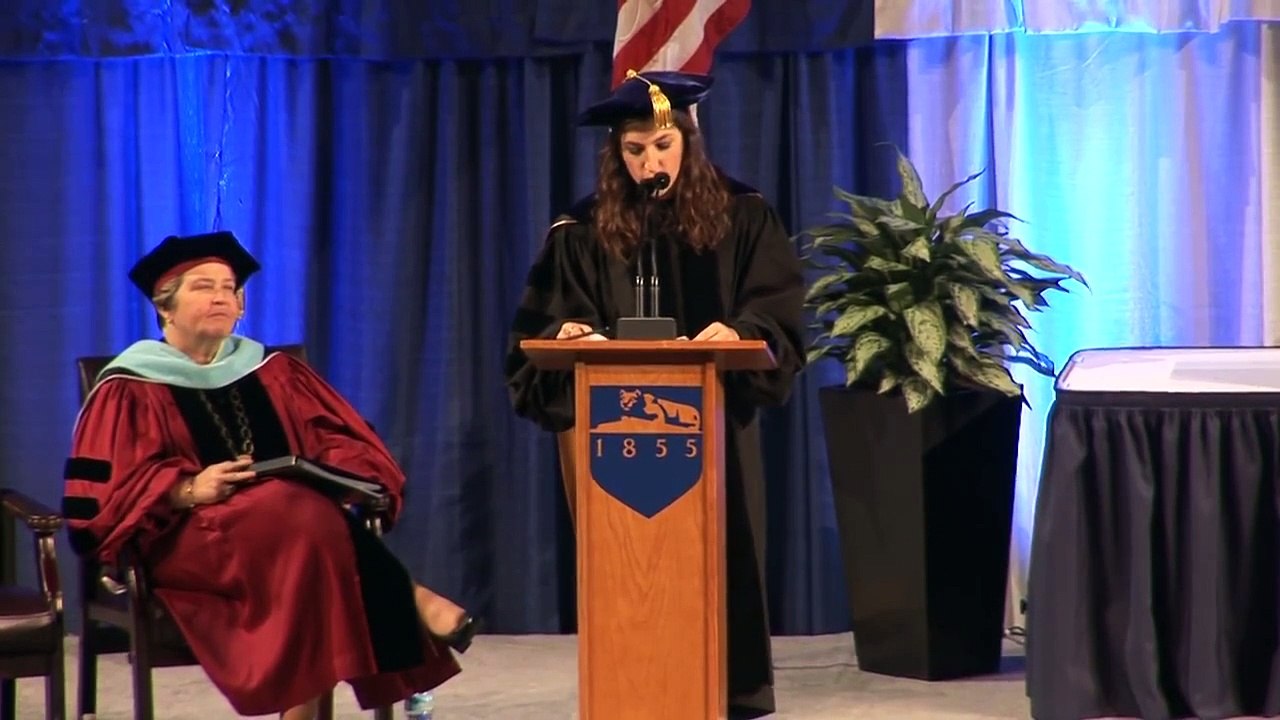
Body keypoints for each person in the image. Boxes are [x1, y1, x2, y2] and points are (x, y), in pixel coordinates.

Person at [61, 231, 478, 720]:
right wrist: (191, 488)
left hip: (293, 537)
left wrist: (341, 477)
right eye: (202, 286)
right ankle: (414, 600)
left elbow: (344, 440)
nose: (221, 296)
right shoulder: (130, 385)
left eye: (230, 287)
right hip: (189, 538)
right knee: (297, 511)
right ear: (165, 307)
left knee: (299, 522)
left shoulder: (274, 370)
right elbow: (105, 498)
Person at [504, 70, 805, 718]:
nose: (649, 162)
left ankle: (729, 693)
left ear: (689, 142)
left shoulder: (743, 215)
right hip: (610, 431)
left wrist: (744, 329)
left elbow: (777, 311)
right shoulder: (581, 230)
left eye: (661, 146)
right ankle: (630, 682)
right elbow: (545, 327)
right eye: (635, 150)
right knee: (627, 565)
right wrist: (570, 331)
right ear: (616, 152)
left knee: (726, 555)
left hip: (717, 424)